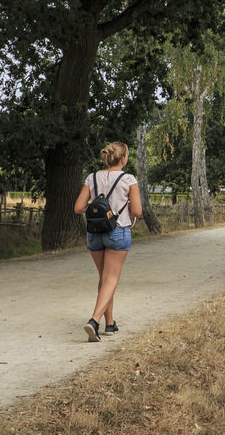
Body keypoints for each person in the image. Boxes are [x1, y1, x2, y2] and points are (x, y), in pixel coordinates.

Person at [73, 141, 142, 342]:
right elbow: (137, 211)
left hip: (94, 232)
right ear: (123, 159)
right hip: (117, 231)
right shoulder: (128, 179)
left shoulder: (92, 177)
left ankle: (109, 324)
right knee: (111, 279)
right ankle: (94, 321)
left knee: (104, 279)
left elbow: (78, 207)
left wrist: (97, 209)